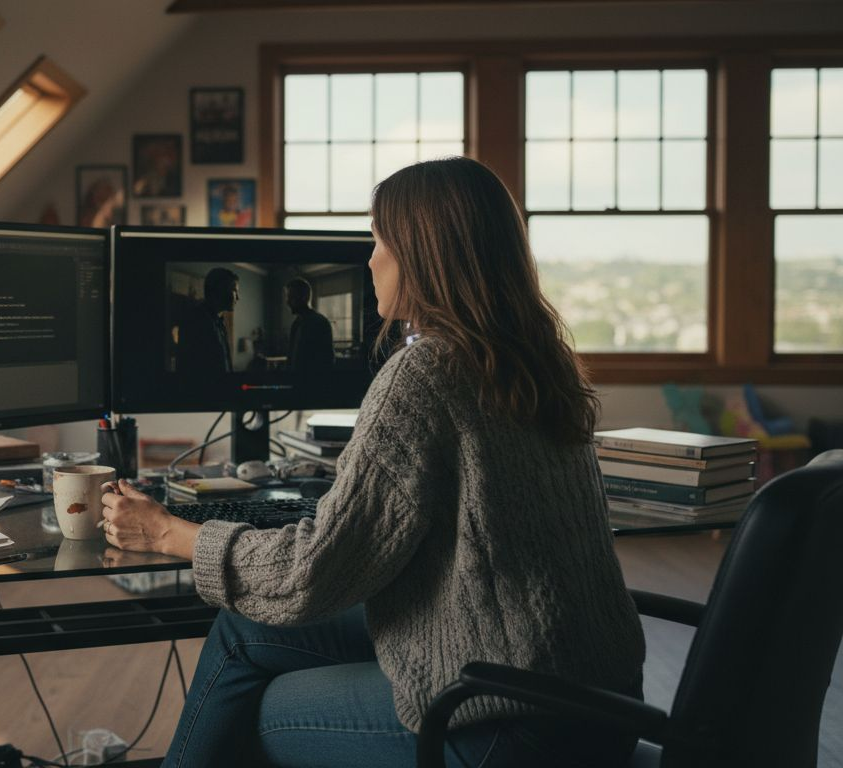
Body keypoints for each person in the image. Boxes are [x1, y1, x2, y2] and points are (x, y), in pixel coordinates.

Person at [100, 157, 645, 767]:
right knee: (244, 629)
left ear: (422, 254)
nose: (369, 260)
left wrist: (167, 533)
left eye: (379, 240)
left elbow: (313, 571)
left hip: (504, 725)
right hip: (599, 704)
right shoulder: (542, 358)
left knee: (255, 710)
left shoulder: (425, 373)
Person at [176, 267, 238, 375]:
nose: (238, 297)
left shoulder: (220, 322)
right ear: (219, 290)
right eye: (234, 291)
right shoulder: (195, 320)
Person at [284, 277, 334, 373]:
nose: (287, 302)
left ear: (304, 297)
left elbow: (327, 361)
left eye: (291, 297)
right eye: (287, 297)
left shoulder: (320, 323)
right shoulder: (296, 324)